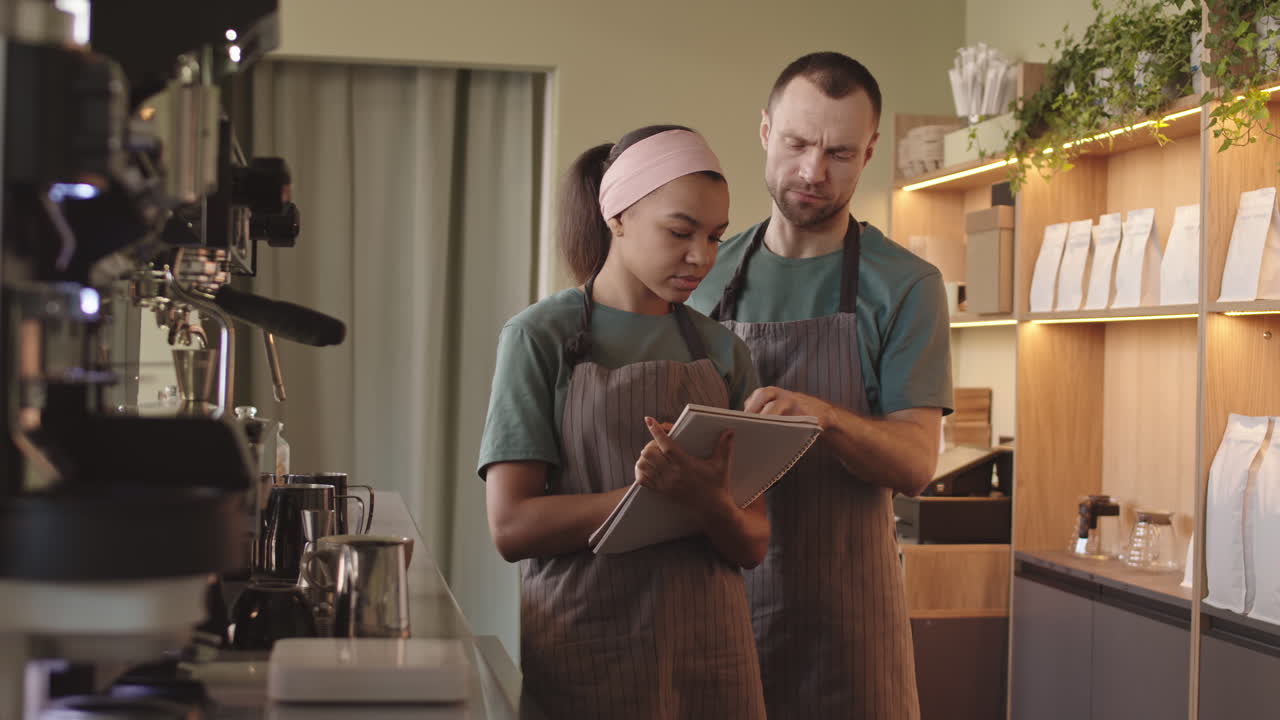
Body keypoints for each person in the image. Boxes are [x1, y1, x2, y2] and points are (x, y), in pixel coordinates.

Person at [688, 52, 953, 719]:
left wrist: (823, 419)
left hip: (849, 630)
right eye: (798, 143)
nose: (812, 171)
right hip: (718, 612)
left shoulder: (906, 286)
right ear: (765, 131)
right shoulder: (704, 277)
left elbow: (917, 463)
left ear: (868, 153)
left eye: (838, 151)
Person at [478, 125, 769, 719]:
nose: (702, 257)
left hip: (713, 655)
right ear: (615, 215)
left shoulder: (722, 352)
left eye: (716, 237)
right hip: (587, 647)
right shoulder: (540, 337)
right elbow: (511, 526)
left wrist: (708, 500)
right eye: (680, 232)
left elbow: (754, 542)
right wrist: (658, 496)